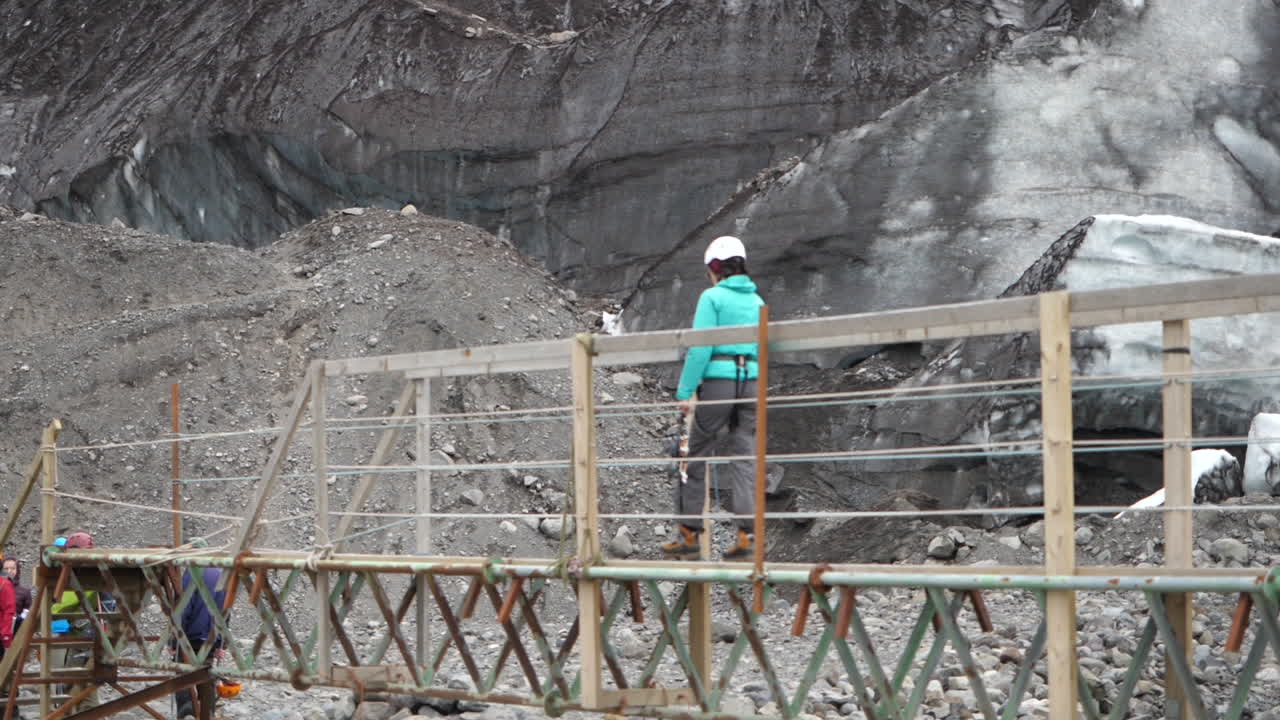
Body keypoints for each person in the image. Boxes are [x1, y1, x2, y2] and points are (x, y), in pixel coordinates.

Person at [661, 235, 765, 560]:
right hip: (751, 384)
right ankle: (748, 538)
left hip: (719, 383)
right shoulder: (758, 301)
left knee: (694, 453)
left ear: (716, 267)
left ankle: (689, 535)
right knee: (744, 456)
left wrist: (684, 392)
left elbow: (701, 348)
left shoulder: (712, 297)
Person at [172, 564, 228, 720]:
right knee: (206, 678)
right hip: (211, 639)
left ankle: (187, 713)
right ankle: (207, 714)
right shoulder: (221, 574)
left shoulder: (192, 573)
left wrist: (174, 641)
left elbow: (184, 610)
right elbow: (226, 611)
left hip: (189, 638)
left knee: (183, 676)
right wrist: (222, 644)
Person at [3, 557, 32, 637]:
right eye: (6, 569)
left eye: (13, 568)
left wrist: (19, 618)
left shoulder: (25, 592)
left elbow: (27, 610)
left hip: (16, 633)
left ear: (17, 570)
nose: (9, 571)